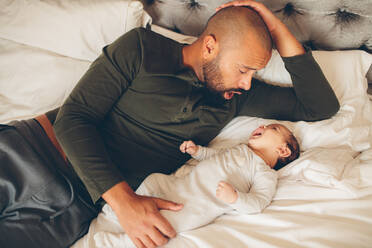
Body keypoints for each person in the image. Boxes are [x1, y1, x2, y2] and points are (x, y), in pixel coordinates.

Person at [0, 1, 339, 248]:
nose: (249, 82)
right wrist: (124, 203)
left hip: (73, 207)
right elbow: (75, 119)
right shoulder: (141, 48)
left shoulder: (236, 97)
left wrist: (276, 27)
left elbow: (320, 106)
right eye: (244, 69)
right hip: (30, 151)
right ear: (210, 46)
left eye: (254, 73)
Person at [83, 123, 300, 247]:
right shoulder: (240, 148)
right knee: (154, 180)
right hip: (181, 185)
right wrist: (198, 152)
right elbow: (215, 155)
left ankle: (119, 243)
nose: (261, 126)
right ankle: (117, 212)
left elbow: (258, 202)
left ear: (283, 150)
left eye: (272, 128)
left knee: (160, 224)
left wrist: (235, 198)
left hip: (195, 205)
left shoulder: (264, 173)